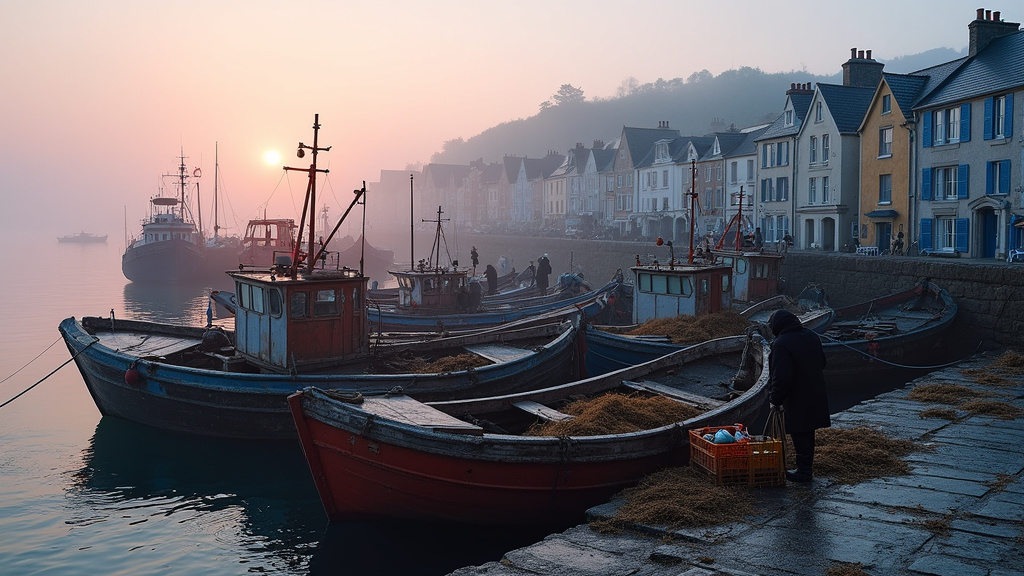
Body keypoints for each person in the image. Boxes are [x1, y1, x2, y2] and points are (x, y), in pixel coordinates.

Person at [767, 309, 831, 483]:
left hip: (797, 396)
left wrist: (775, 399)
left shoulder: (781, 343)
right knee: (808, 432)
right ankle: (805, 468)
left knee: (799, 431)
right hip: (815, 391)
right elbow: (823, 362)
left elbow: (781, 377)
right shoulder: (811, 336)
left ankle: (803, 472)